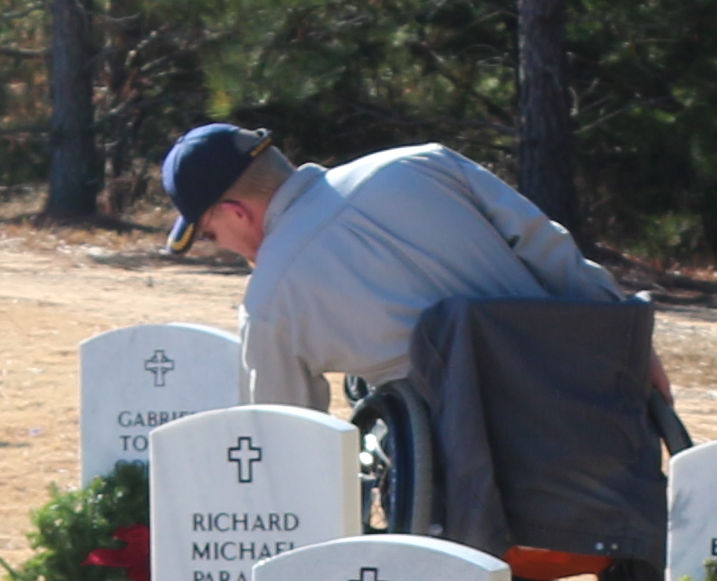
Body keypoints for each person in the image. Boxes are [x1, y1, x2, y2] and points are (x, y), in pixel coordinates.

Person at [158, 121, 633, 409]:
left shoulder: (269, 302)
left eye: (212, 235)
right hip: (575, 403)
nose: (230, 250)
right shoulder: (424, 162)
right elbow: (545, 246)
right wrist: (626, 338)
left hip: (464, 474)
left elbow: (290, 437)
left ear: (236, 212)